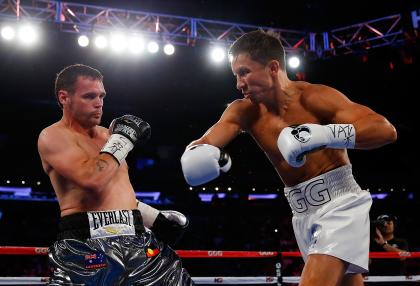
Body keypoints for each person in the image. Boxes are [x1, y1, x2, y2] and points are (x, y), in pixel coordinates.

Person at [180, 30, 397, 286]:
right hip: (301, 214)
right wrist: (195, 157)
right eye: (236, 75)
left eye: (244, 72)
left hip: (341, 204)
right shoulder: (243, 111)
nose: (239, 83)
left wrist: (324, 134)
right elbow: (201, 147)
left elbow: (384, 129)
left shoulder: (314, 97)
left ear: (273, 67)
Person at [37, 64, 193, 285]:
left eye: (101, 96)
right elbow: (92, 179)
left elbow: (116, 193)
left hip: (138, 239)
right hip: (88, 244)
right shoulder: (52, 136)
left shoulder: (107, 135)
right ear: (64, 97)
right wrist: (123, 140)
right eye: (89, 96)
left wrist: (155, 219)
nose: (99, 103)